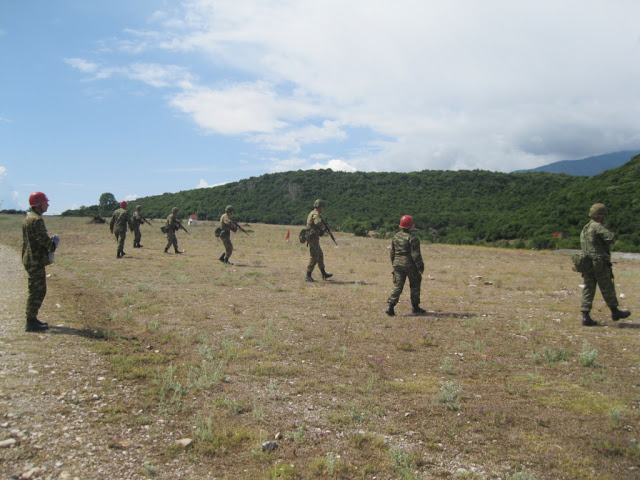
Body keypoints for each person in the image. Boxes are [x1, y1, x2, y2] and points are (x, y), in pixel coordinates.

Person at [579, 203, 631, 326]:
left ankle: (585, 315)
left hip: (586, 262)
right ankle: (615, 311)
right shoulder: (598, 227)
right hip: (599, 262)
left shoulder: (585, 228)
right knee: (607, 286)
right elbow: (610, 238)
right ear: (601, 216)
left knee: (588, 288)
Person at [22, 191, 58, 332]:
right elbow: (43, 240)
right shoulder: (36, 220)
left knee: (36, 289)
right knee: (37, 291)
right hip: (34, 260)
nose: (47, 205)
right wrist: (53, 244)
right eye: (45, 202)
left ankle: (32, 319)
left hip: (30, 258)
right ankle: (30, 321)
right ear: (38, 205)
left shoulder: (28, 218)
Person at [385, 215, 426, 316]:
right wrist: (420, 267)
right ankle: (415, 307)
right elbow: (415, 255)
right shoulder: (413, 238)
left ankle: (390, 306)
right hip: (410, 265)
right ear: (411, 226)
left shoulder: (395, 237)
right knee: (415, 284)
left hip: (397, 264)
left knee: (398, 285)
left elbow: (392, 252)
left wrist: (394, 264)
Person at [305, 199, 333, 282]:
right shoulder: (316, 214)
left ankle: (323, 274)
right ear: (320, 207)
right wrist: (324, 228)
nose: (323, 209)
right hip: (313, 238)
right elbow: (317, 222)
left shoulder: (314, 213)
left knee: (320, 255)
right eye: (322, 207)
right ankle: (308, 275)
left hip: (314, 237)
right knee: (314, 257)